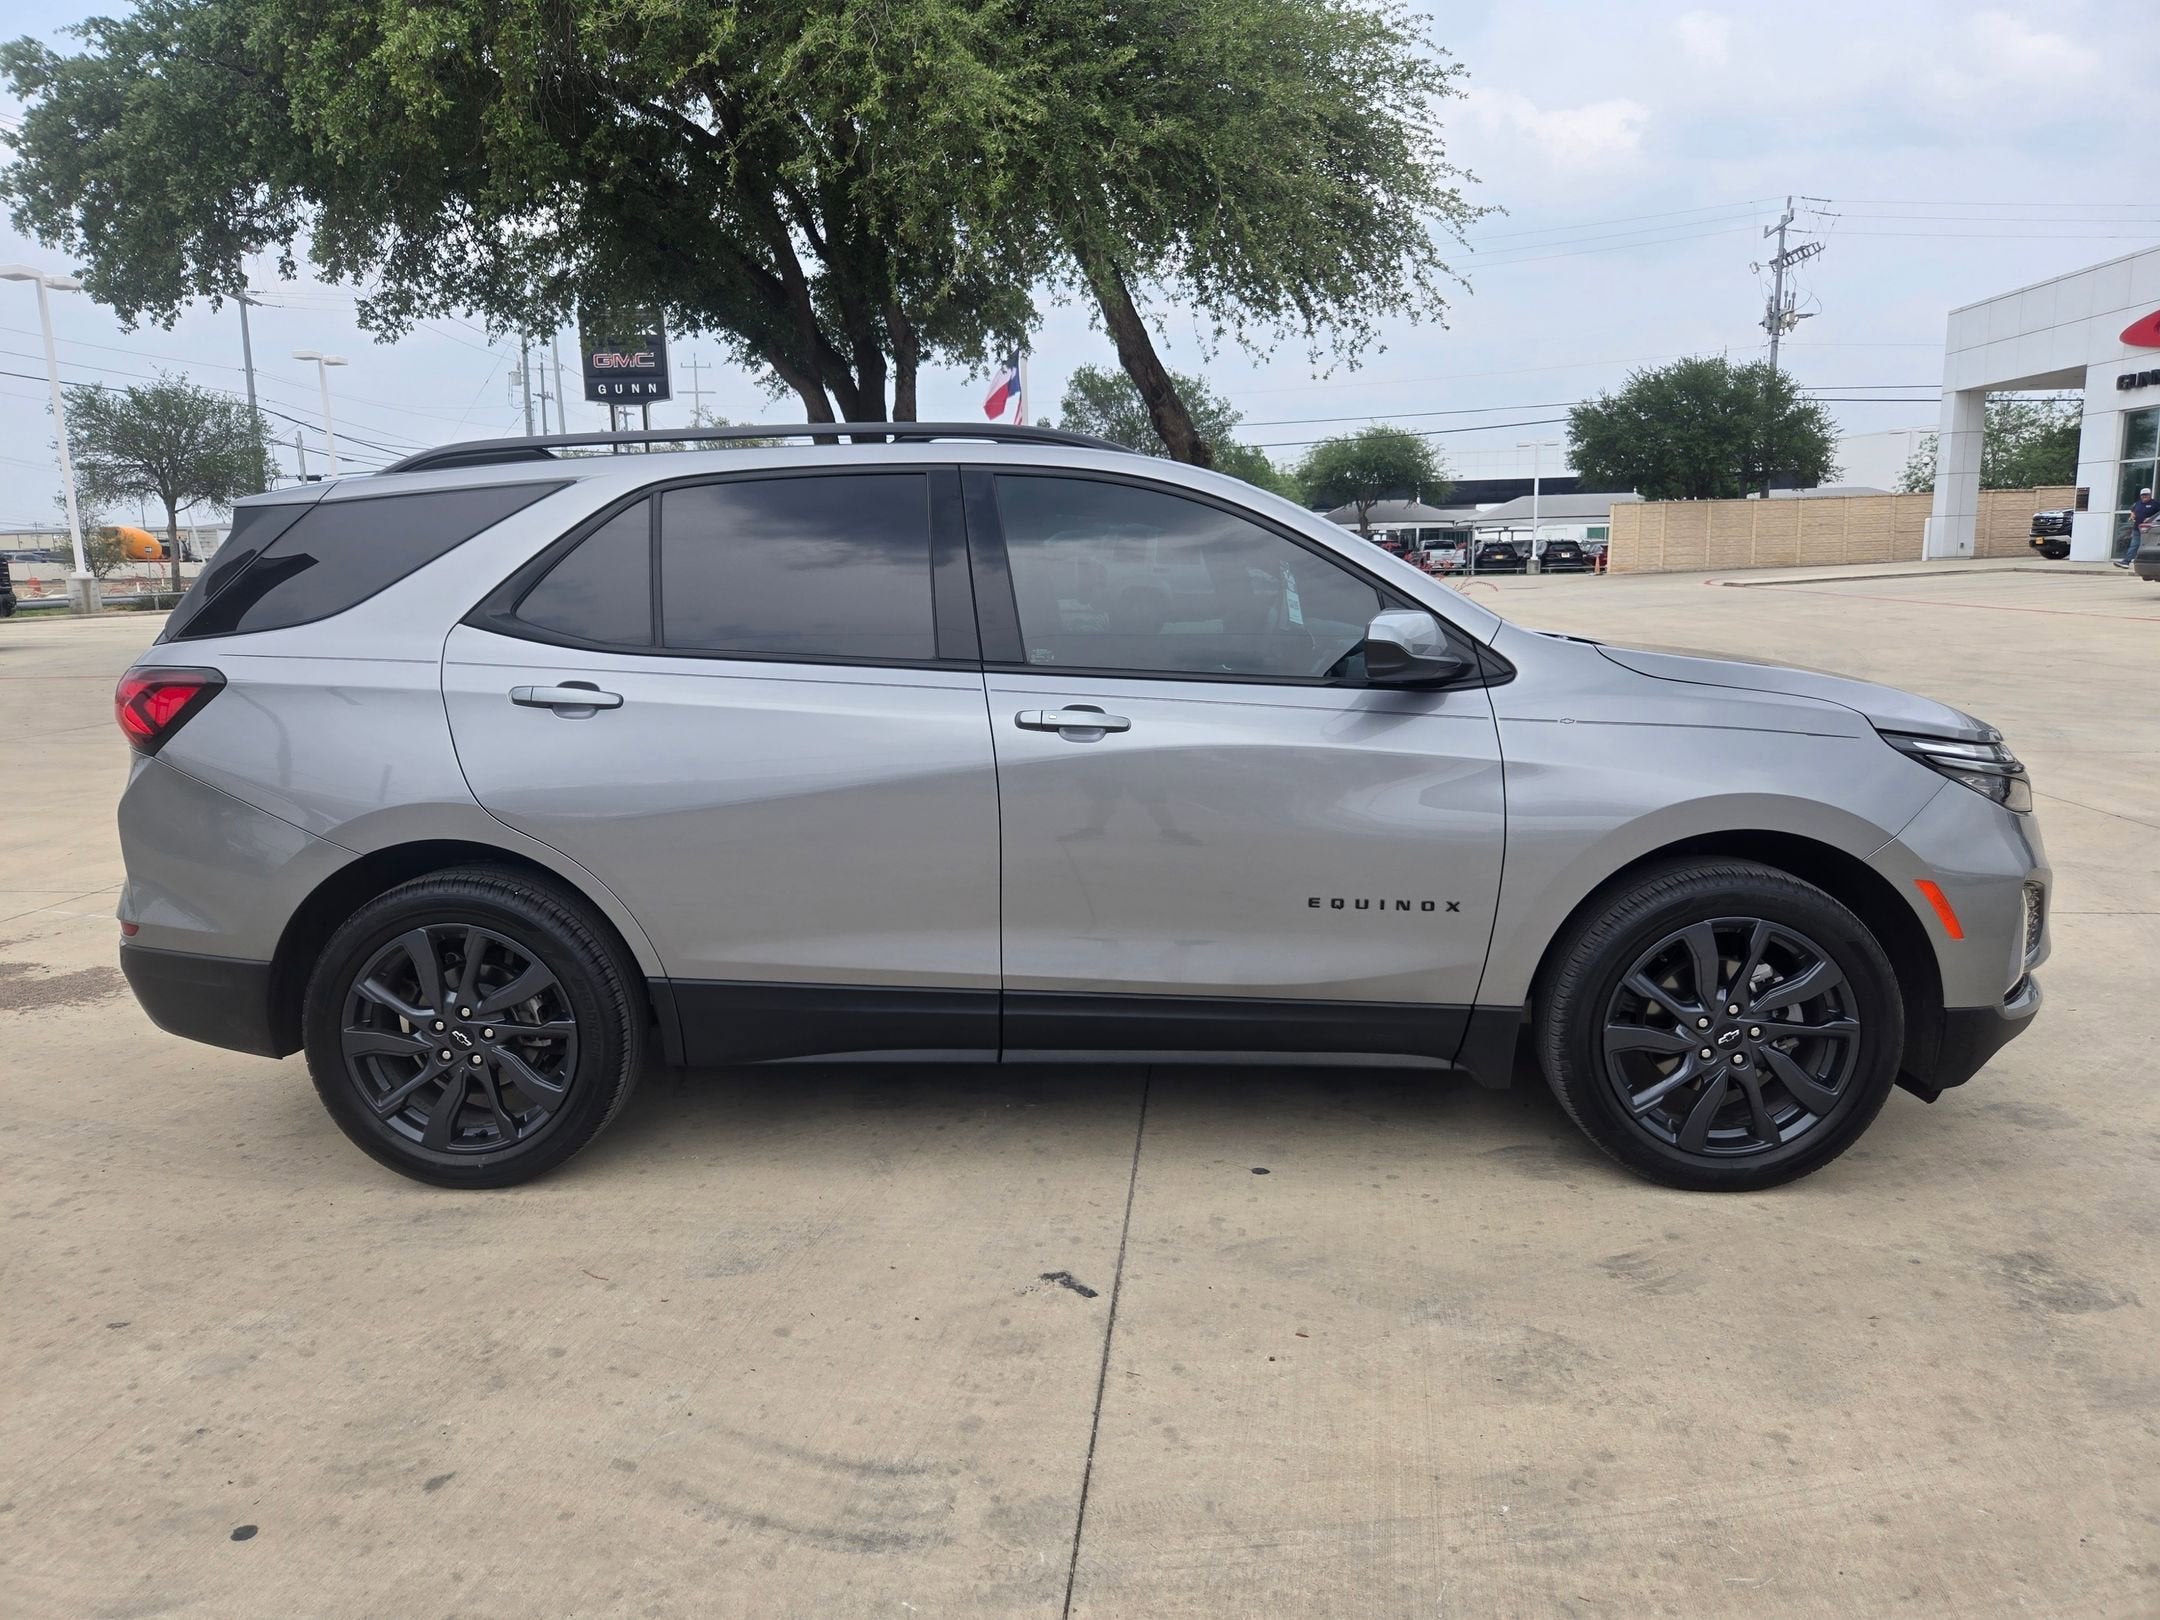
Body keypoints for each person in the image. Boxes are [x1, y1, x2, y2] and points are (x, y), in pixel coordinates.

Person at [2121, 487, 2158, 568]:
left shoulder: (2155, 504)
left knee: (2146, 546)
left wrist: (2151, 518)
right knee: (2134, 545)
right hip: (2137, 528)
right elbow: (2132, 511)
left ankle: (2146, 563)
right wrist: (2132, 515)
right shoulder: (2137, 503)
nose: (2144, 496)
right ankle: (2126, 562)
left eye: (2146, 495)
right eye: (2143, 495)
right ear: (2140, 496)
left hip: (2149, 530)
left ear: (2150, 495)